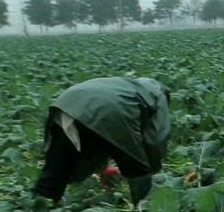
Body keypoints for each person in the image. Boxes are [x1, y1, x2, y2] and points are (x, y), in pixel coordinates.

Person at [32, 76, 171, 204]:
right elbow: (155, 141)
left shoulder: (126, 86)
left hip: (67, 103)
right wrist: (149, 170)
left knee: (56, 169)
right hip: (110, 109)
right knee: (137, 168)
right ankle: (144, 210)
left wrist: (102, 168)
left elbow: (98, 134)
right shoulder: (159, 95)